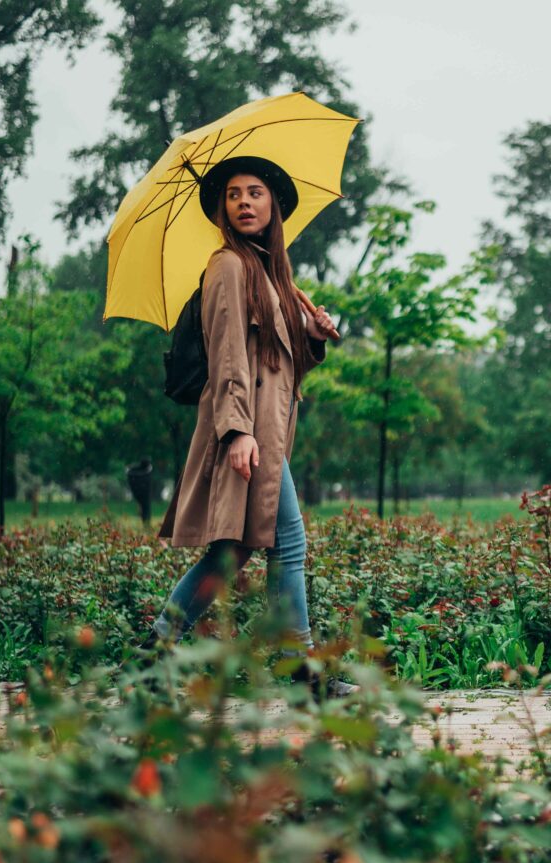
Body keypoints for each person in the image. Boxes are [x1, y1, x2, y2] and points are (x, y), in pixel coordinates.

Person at [138, 155, 355, 698]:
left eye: (255, 192)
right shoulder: (228, 267)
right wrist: (235, 432)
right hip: (247, 431)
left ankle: (153, 652)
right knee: (288, 541)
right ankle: (302, 670)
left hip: (266, 430)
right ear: (223, 209)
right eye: (233, 194)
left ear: (273, 204)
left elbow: (279, 365)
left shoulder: (268, 272)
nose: (244, 202)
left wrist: (313, 333)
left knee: (231, 551)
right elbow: (229, 357)